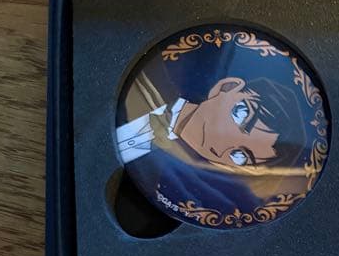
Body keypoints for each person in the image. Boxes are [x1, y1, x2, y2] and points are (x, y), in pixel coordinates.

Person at [117, 70, 306, 216]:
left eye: (240, 156)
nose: (221, 144)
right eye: (240, 114)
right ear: (226, 87)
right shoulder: (149, 82)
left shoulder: (171, 186)